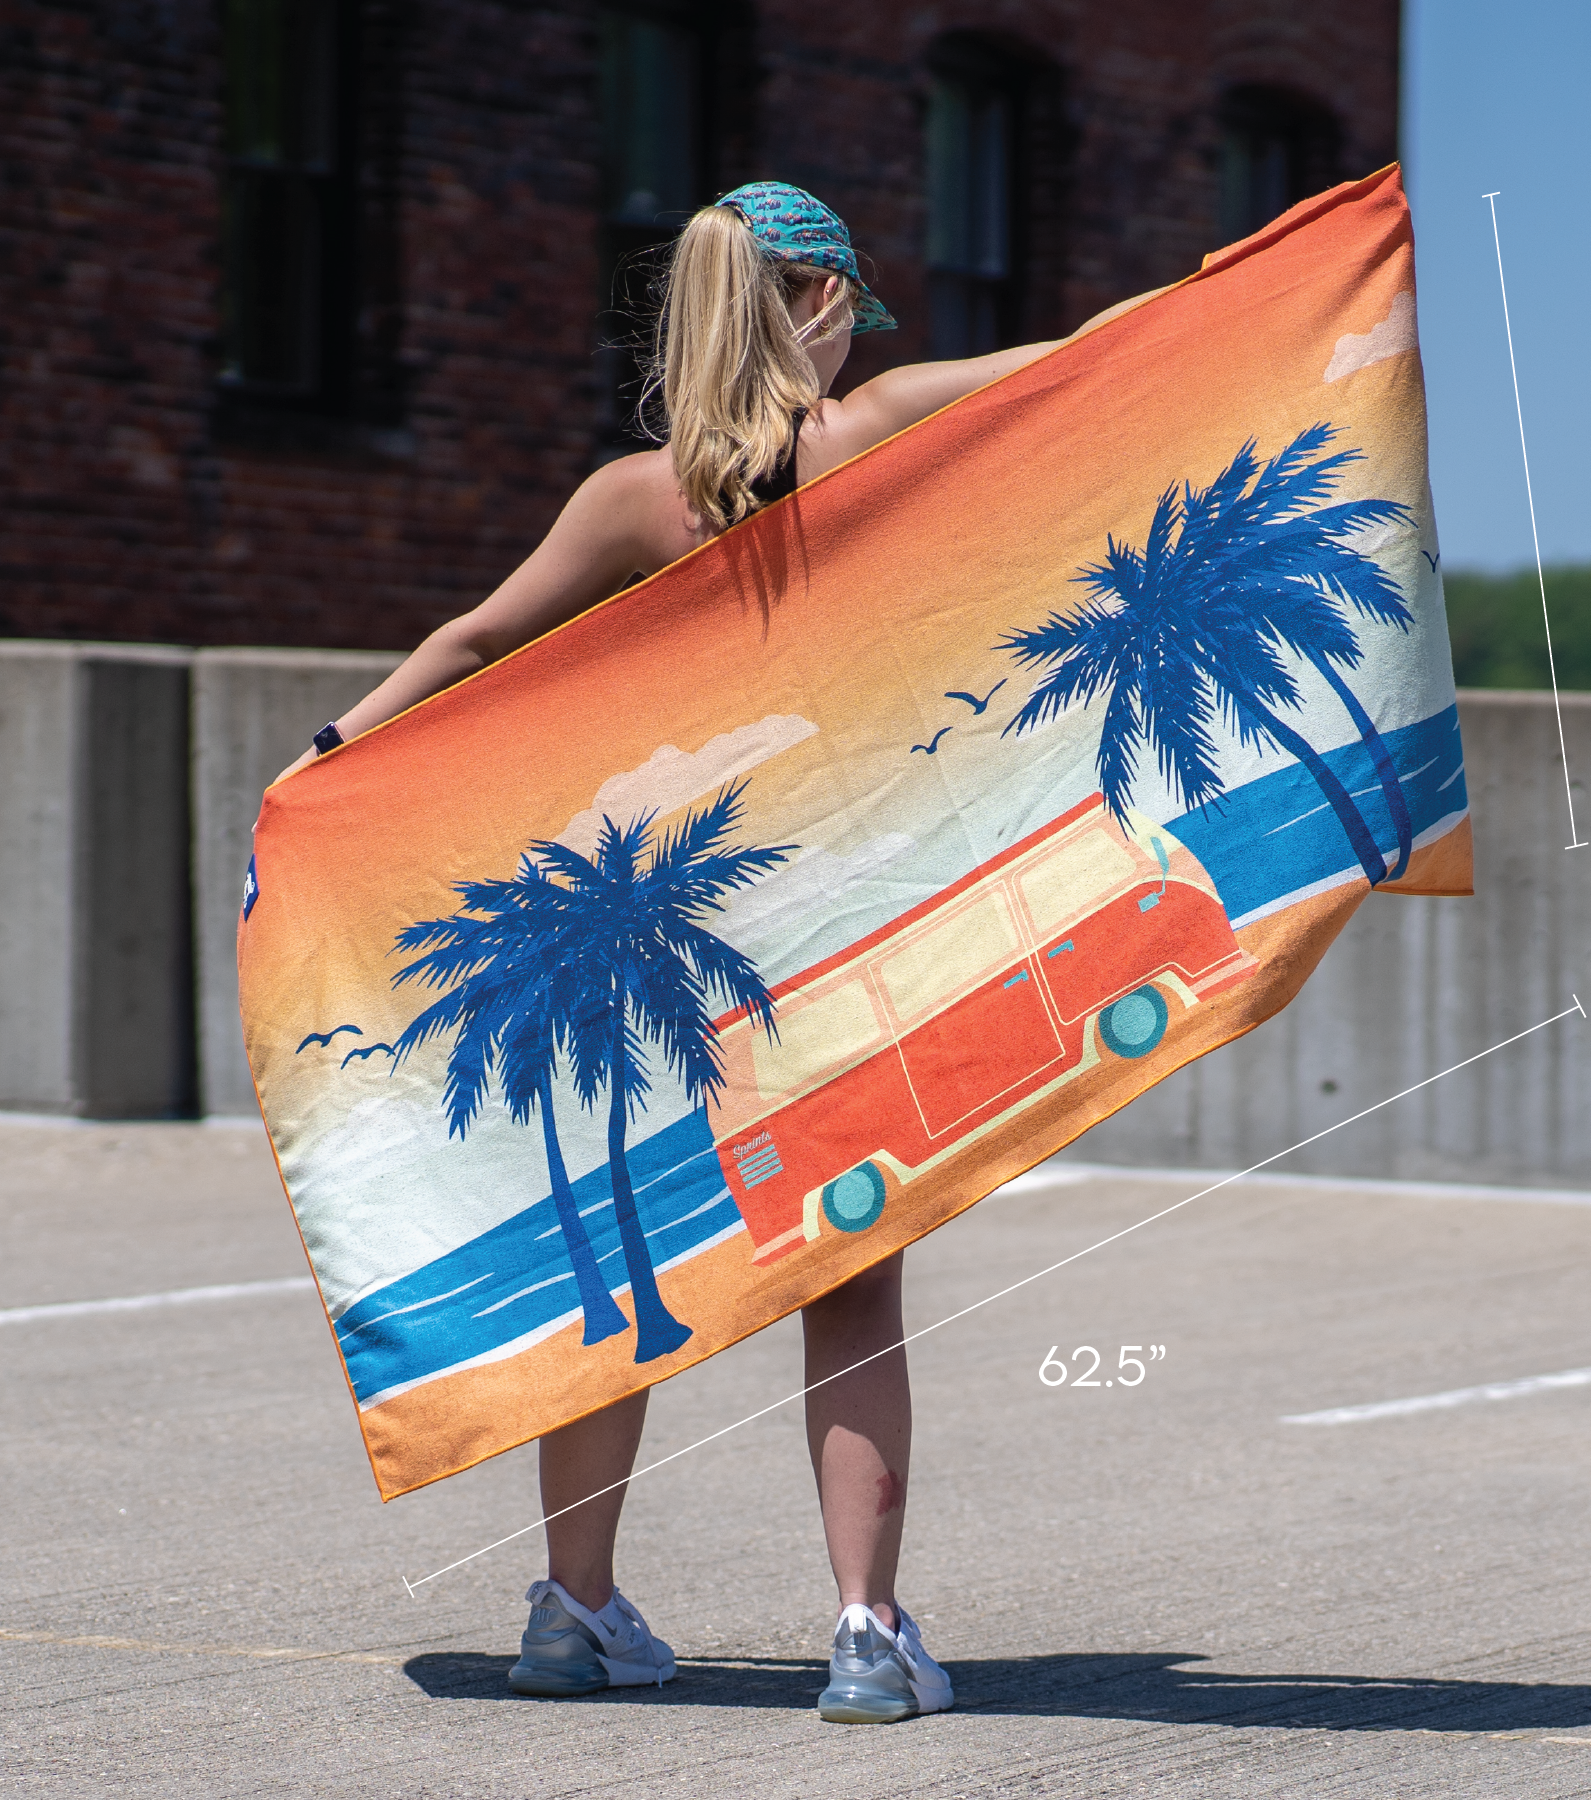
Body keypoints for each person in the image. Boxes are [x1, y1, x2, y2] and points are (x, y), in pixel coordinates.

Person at [278, 181, 1163, 1723]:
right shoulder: (878, 422)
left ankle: (574, 1614)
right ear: (817, 307)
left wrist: (327, 755)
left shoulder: (637, 496)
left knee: (628, 1277)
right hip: (833, 921)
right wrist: (1248, 284)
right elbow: (1088, 357)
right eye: (843, 313)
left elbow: (477, 642)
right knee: (854, 1281)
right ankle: (866, 1634)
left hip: (671, 942)